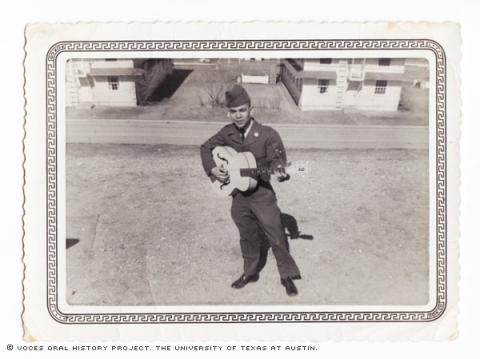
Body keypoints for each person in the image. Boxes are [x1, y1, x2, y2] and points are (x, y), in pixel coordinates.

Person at [200, 84, 301, 296]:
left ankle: (287, 276)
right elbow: (205, 148)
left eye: (242, 110)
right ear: (229, 113)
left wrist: (281, 172)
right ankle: (250, 272)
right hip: (239, 196)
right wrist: (212, 169)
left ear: (251, 110)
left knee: (275, 235)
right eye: (234, 111)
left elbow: (277, 160)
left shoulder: (267, 134)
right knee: (247, 235)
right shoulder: (226, 133)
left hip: (262, 195)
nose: (238, 115)